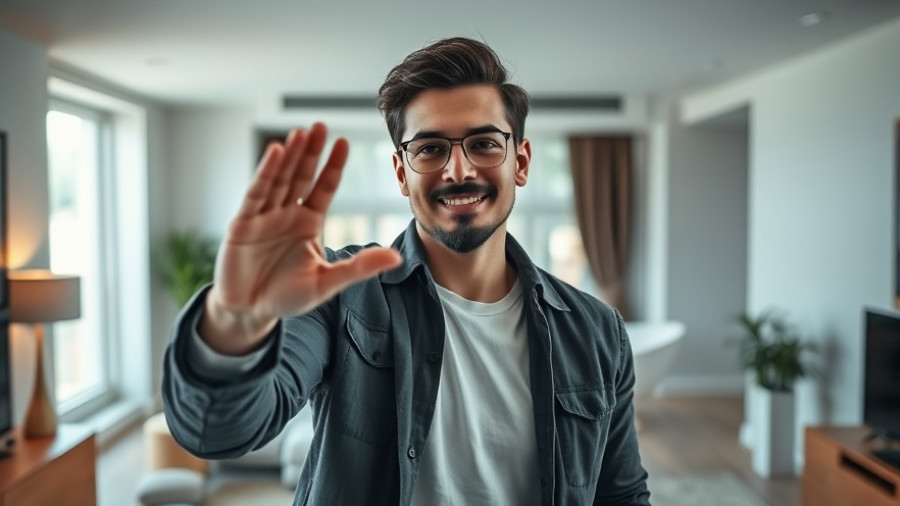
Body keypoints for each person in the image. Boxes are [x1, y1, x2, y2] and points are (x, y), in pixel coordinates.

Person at [161, 36, 651, 505]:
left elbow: (621, 495)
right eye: (430, 148)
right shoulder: (340, 293)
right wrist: (235, 319)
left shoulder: (598, 331)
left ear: (520, 162)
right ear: (402, 172)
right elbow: (220, 432)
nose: (459, 170)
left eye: (484, 143)